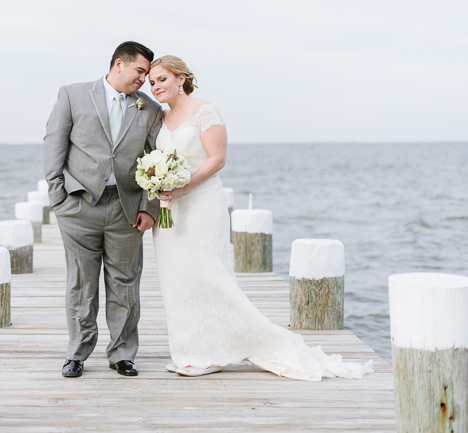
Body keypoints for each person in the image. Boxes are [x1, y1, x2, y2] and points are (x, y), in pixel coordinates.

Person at [149, 55, 373, 380]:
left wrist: (182, 187)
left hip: (201, 206)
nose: (156, 87)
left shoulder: (205, 111)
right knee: (179, 281)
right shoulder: (161, 117)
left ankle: (250, 343)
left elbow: (217, 160)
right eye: (152, 82)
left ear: (181, 78)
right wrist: (160, 185)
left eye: (162, 79)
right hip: (169, 212)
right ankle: (193, 352)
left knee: (210, 277)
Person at [43, 41, 163, 378]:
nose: (144, 79)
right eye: (140, 71)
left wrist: (149, 206)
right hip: (79, 205)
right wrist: (59, 200)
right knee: (81, 283)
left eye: (147, 74)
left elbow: (156, 161)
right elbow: (54, 146)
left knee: (125, 282)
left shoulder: (149, 109)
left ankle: (123, 353)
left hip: (127, 209)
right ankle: (77, 353)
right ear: (118, 64)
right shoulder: (73, 95)